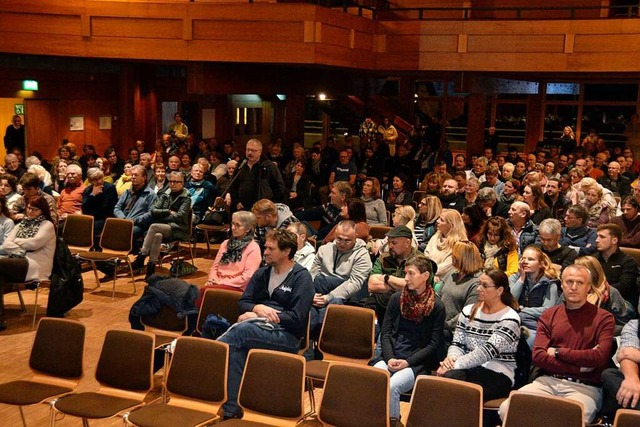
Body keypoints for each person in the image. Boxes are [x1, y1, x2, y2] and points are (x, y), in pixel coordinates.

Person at [498, 264, 615, 424]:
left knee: (567, 418)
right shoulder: (549, 315)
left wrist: (558, 352)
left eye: (580, 283)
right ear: (562, 284)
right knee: (508, 408)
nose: (574, 287)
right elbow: (539, 357)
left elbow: (599, 359)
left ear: (588, 287)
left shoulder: (604, 318)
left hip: (585, 388)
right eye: (569, 282)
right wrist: (580, 367)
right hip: (547, 382)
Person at [217, 229, 314, 419]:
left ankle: (211, 355)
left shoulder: (302, 278)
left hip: (288, 336)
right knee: (236, 349)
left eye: (270, 248)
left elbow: (297, 318)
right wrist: (257, 309)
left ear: (287, 251)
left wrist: (260, 317)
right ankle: (232, 409)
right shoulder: (262, 273)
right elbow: (243, 302)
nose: (265, 252)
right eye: (265, 247)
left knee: (241, 331)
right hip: (257, 328)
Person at [374, 255, 446, 425]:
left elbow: (434, 344)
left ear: (425, 276)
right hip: (391, 356)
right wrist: (390, 357)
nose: (406, 278)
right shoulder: (396, 299)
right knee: (374, 378)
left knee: (392, 386)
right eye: (405, 273)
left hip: (415, 362)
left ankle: (393, 422)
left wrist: (407, 362)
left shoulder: (437, 306)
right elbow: (385, 333)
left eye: (411, 274)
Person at [438, 268, 521, 402]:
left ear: (499, 290)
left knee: (466, 393)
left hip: (498, 371)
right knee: (446, 383)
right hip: (468, 366)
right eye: (479, 284)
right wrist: (451, 358)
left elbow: (486, 353)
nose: (478, 289)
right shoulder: (468, 311)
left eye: (485, 286)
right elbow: (458, 344)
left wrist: (456, 364)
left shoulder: (510, 318)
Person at [0, 196, 56, 330]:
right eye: (28, 208)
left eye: (34, 209)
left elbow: (35, 243)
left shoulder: (47, 225)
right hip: (18, 260)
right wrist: (24, 246)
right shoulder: (21, 224)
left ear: (42, 211)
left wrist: (17, 242)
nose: (30, 211)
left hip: (35, 265)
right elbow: (7, 245)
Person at [309, 220, 372, 336]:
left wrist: (328, 297)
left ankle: (319, 337)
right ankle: (307, 340)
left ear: (355, 237)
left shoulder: (362, 255)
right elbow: (312, 274)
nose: (342, 244)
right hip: (320, 290)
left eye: (347, 240)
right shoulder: (324, 249)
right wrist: (311, 295)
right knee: (309, 301)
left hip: (347, 295)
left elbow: (354, 284)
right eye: (339, 239)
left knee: (334, 301)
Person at [131, 171, 191, 279]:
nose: (173, 184)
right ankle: (151, 268)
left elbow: (180, 216)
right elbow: (154, 210)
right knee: (157, 235)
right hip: (163, 226)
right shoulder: (165, 194)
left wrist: (161, 215)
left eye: (176, 182)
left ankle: (142, 256)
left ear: (182, 183)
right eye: (171, 181)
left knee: (154, 227)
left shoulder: (186, 198)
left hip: (178, 228)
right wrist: (167, 212)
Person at [195, 211, 262, 306]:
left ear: (247, 229)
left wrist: (221, 283)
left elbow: (247, 277)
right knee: (195, 293)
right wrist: (212, 279)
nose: (233, 228)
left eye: (238, 225)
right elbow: (215, 267)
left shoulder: (253, 248)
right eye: (233, 224)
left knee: (204, 293)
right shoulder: (225, 243)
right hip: (218, 283)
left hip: (238, 287)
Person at [366, 225, 422, 324]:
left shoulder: (420, 261)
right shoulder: (383, 258)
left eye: (394, 243)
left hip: (409, 307)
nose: (390, 246)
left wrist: (386, 278)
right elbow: (371, 285)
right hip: (381, 305)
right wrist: (398, 285)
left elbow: (416, 287)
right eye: (388, 242)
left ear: (407, 243)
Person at [509, 245, 560, 347]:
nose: (525, 261)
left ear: (541, 264)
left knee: (529, 339)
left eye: (531, 259)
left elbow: (547, 310)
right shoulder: (514, 278)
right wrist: (522, 278)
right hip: (516, 322)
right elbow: (511, 301)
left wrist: (522, 309)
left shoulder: (549, 283)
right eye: (523, 258)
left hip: (536, 325)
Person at [573, 256, 634, 335]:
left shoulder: (611, 293)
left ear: (592, 273)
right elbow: (558, 316)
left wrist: (601, 329)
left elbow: (625, 325)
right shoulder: (571, 290)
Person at [437, 241, 483, 342]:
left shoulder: (477, 282)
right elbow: (437, 297)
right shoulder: (451, 273)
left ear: (464, 258)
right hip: (438, 325)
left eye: (455, 255)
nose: (452, 257)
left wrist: (445, 325)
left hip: (455, 332)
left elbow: (468, 313)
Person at [226, 139, 286, 211]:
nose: (250, 153)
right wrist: (237, 202)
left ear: (260, 152)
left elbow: (279, 187)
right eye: (248, 150)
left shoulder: (268, 166)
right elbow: (233, 186)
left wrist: (271, 203)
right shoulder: (241, 165)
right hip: (242, 207)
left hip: (262, 209)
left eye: (253, 150)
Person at [595, 223, 639, 310]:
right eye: (597, 236)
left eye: (602, 237)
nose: (596, 240)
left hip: (623, 303)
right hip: (596, 298)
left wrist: (598, 291)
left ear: (614, 240)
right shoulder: (593, 259)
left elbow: (624, 286)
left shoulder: (628, 261)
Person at [113, 165, 157, 251]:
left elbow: (151, 213)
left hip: (139, 224)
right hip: (124, 221)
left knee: (126, 233)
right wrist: (123, 219)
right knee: (108, 229)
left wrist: (134, 220)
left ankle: (123, 255)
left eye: (136, 175)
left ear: (144, 178)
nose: (132, 177)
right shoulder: (127, 192)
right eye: (132, 175)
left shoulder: (151, 195)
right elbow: (117, 208)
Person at [601, 318, 640, 416]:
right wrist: (632, 379)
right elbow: (626, 355)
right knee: (609, 374)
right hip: (638, 383)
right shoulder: (634, 325)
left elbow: (628, 353)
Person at [424, 209, 468, 278]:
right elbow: (426, 254)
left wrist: (430, 272)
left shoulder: (459, 243)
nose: (437, 221)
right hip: (428, 273)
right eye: (438, 218)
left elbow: (449, 265)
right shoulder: (435, 237)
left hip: (446, 278)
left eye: (441, 220)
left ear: (451, 225)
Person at [81, 168, 117, 238]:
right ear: (90, 181)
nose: (99, 181)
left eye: (100, 178)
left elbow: (106, 209)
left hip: (106, 218)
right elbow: (84, 208)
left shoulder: (110, 188)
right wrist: (93, 195)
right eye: (95, 179)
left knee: (90, 227)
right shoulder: (88, 190)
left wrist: (91, 209)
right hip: (91, 218)